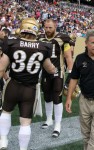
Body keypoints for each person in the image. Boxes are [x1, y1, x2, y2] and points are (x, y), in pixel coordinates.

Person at [0, 18, 56, 150]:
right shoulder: (43, 47)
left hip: (13, 85)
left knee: (6, 112)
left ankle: (3, 140)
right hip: (30, 89)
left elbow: (2, 68)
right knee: (25, 122)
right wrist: (54, 69)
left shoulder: (12, 43)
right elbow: (49, 68)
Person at [38, 19, 73, 137]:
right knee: (47, 96)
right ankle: (49, 119)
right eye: (46, 27)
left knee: (57, 96)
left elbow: (68, 57)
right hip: (45, 72)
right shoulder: (40, 38)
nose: (47, 30)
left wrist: (71, 73)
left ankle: (58, 124)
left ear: (55, 26)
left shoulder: (63, 38)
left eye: (50, 28)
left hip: (58, 72)